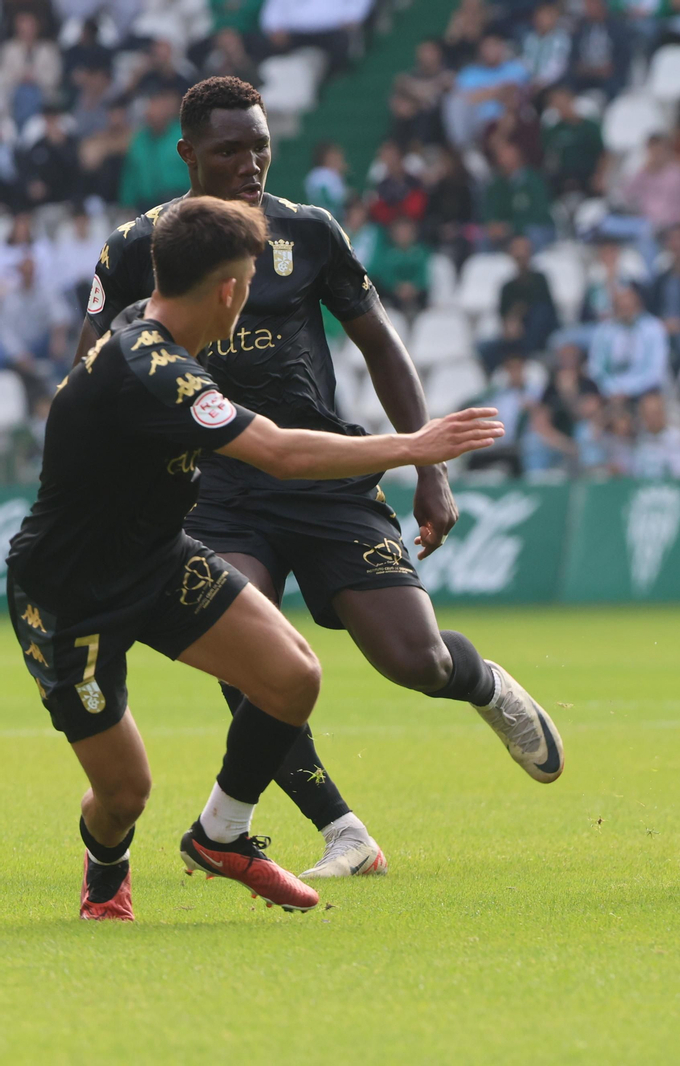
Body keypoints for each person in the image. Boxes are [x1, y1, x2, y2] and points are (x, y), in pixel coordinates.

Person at [74, 77, 566, 883]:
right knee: (250, 652)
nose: (250, 163)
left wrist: (427, 467)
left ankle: (484, 686)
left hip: (326, 474)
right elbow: (90, 366)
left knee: (414, 659)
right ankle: (340, 829)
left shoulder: (310, 232)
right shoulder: (139, 246)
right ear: (189, 154)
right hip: (217, 490)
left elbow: (381, 346)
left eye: (260, 146)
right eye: (230, 149)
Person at [8, 196, 505, 920]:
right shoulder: (153, 372)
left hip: (157, 559)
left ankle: (220, 834)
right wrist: (413, 447)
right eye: (247, 280)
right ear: (230, 289)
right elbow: (276, 450)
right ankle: (107, 869)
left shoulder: (150, 333)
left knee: (292, 676)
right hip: (67, 595)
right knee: (124, 795)